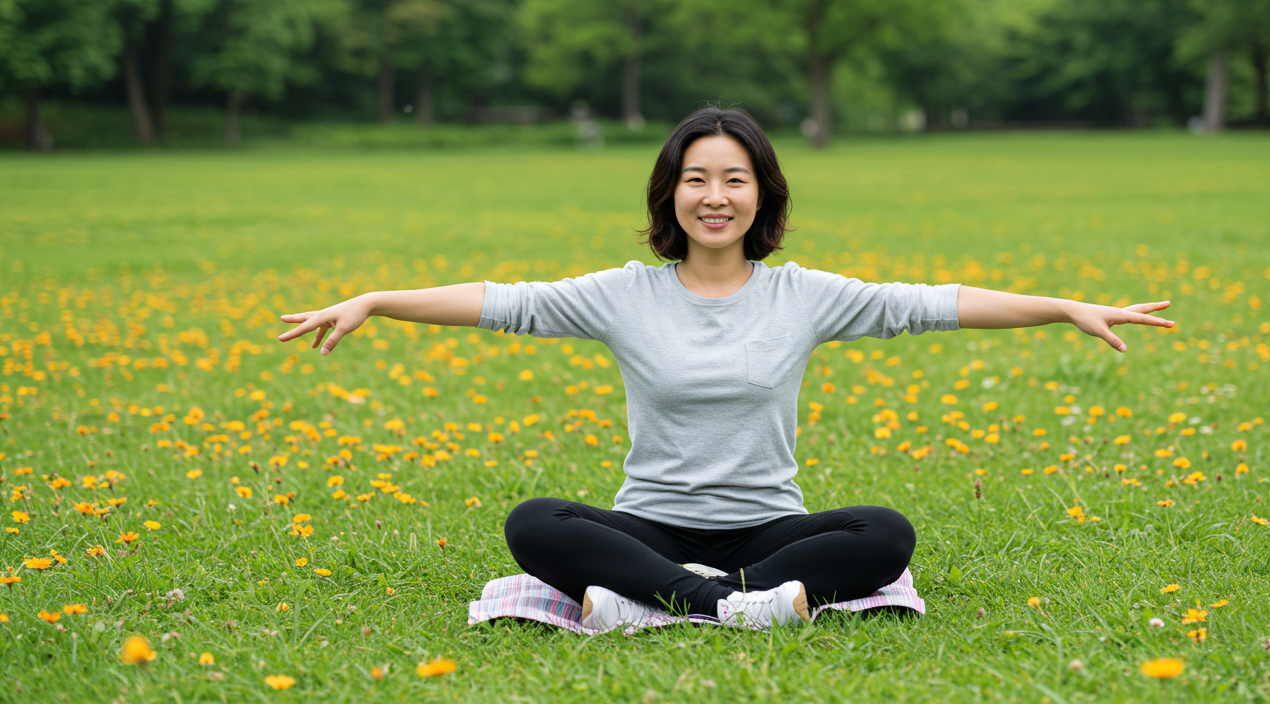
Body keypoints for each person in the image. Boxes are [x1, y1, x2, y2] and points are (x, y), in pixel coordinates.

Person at [278, 107, 1174, 631]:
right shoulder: (623, 293)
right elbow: (503, 299)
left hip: (767, 533)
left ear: (763, 194)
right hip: (648, 528)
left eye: (735, 179)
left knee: (884, 533)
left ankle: (666, 606)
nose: (716, 197)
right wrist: (377, 298)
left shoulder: (804, 296)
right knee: (533, 522)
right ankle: (723, 605)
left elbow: (931, 301)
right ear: (671, 192)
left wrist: (1061, 305)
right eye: (698, 179)